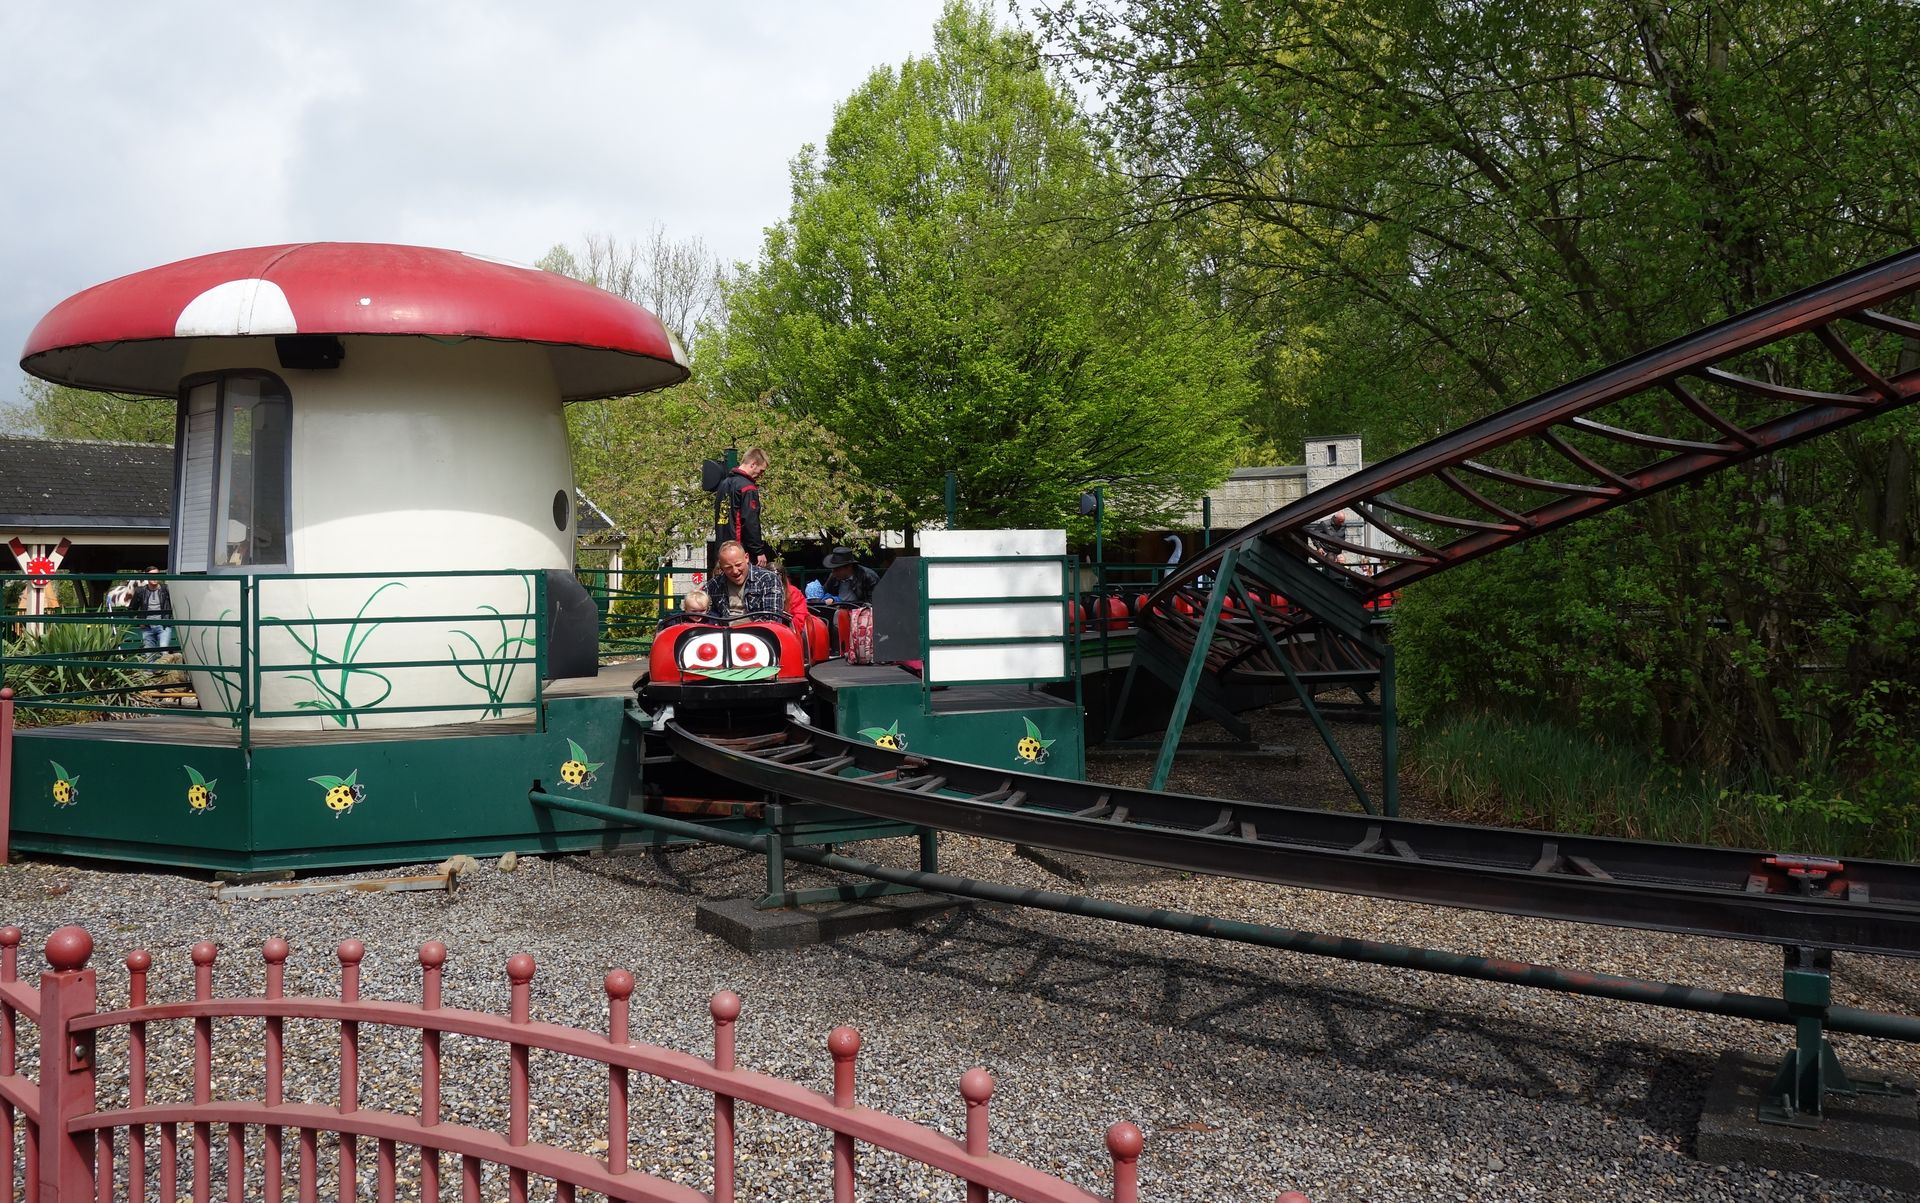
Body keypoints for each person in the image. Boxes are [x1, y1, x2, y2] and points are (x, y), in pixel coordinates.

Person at [713, 447, 771, 567]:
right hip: (739, 552)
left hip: (722, 551)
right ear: (753, 464)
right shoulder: (747, 488)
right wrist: (758, 551)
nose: (761, 475)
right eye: (761, 471)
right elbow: (750, 521)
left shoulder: (723, 485)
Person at [709, 540, 786, 620]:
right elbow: (701, 613)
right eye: (728, 567)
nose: (735, 571)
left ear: (746, 558)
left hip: (758, 628)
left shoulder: (768, 579)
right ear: (721, 565)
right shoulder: (714, 585)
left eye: (738, 565)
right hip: (723, 627)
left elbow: (772, 618)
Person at [130, 570, 172, 650]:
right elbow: (131, 609)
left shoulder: (166, 589)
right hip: (147, 628)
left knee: (164, 650)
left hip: (164, 627)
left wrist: (170, 619)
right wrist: (139, 621)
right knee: (148, 654)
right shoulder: (140, 591)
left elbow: (176, 604)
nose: (154, 577)